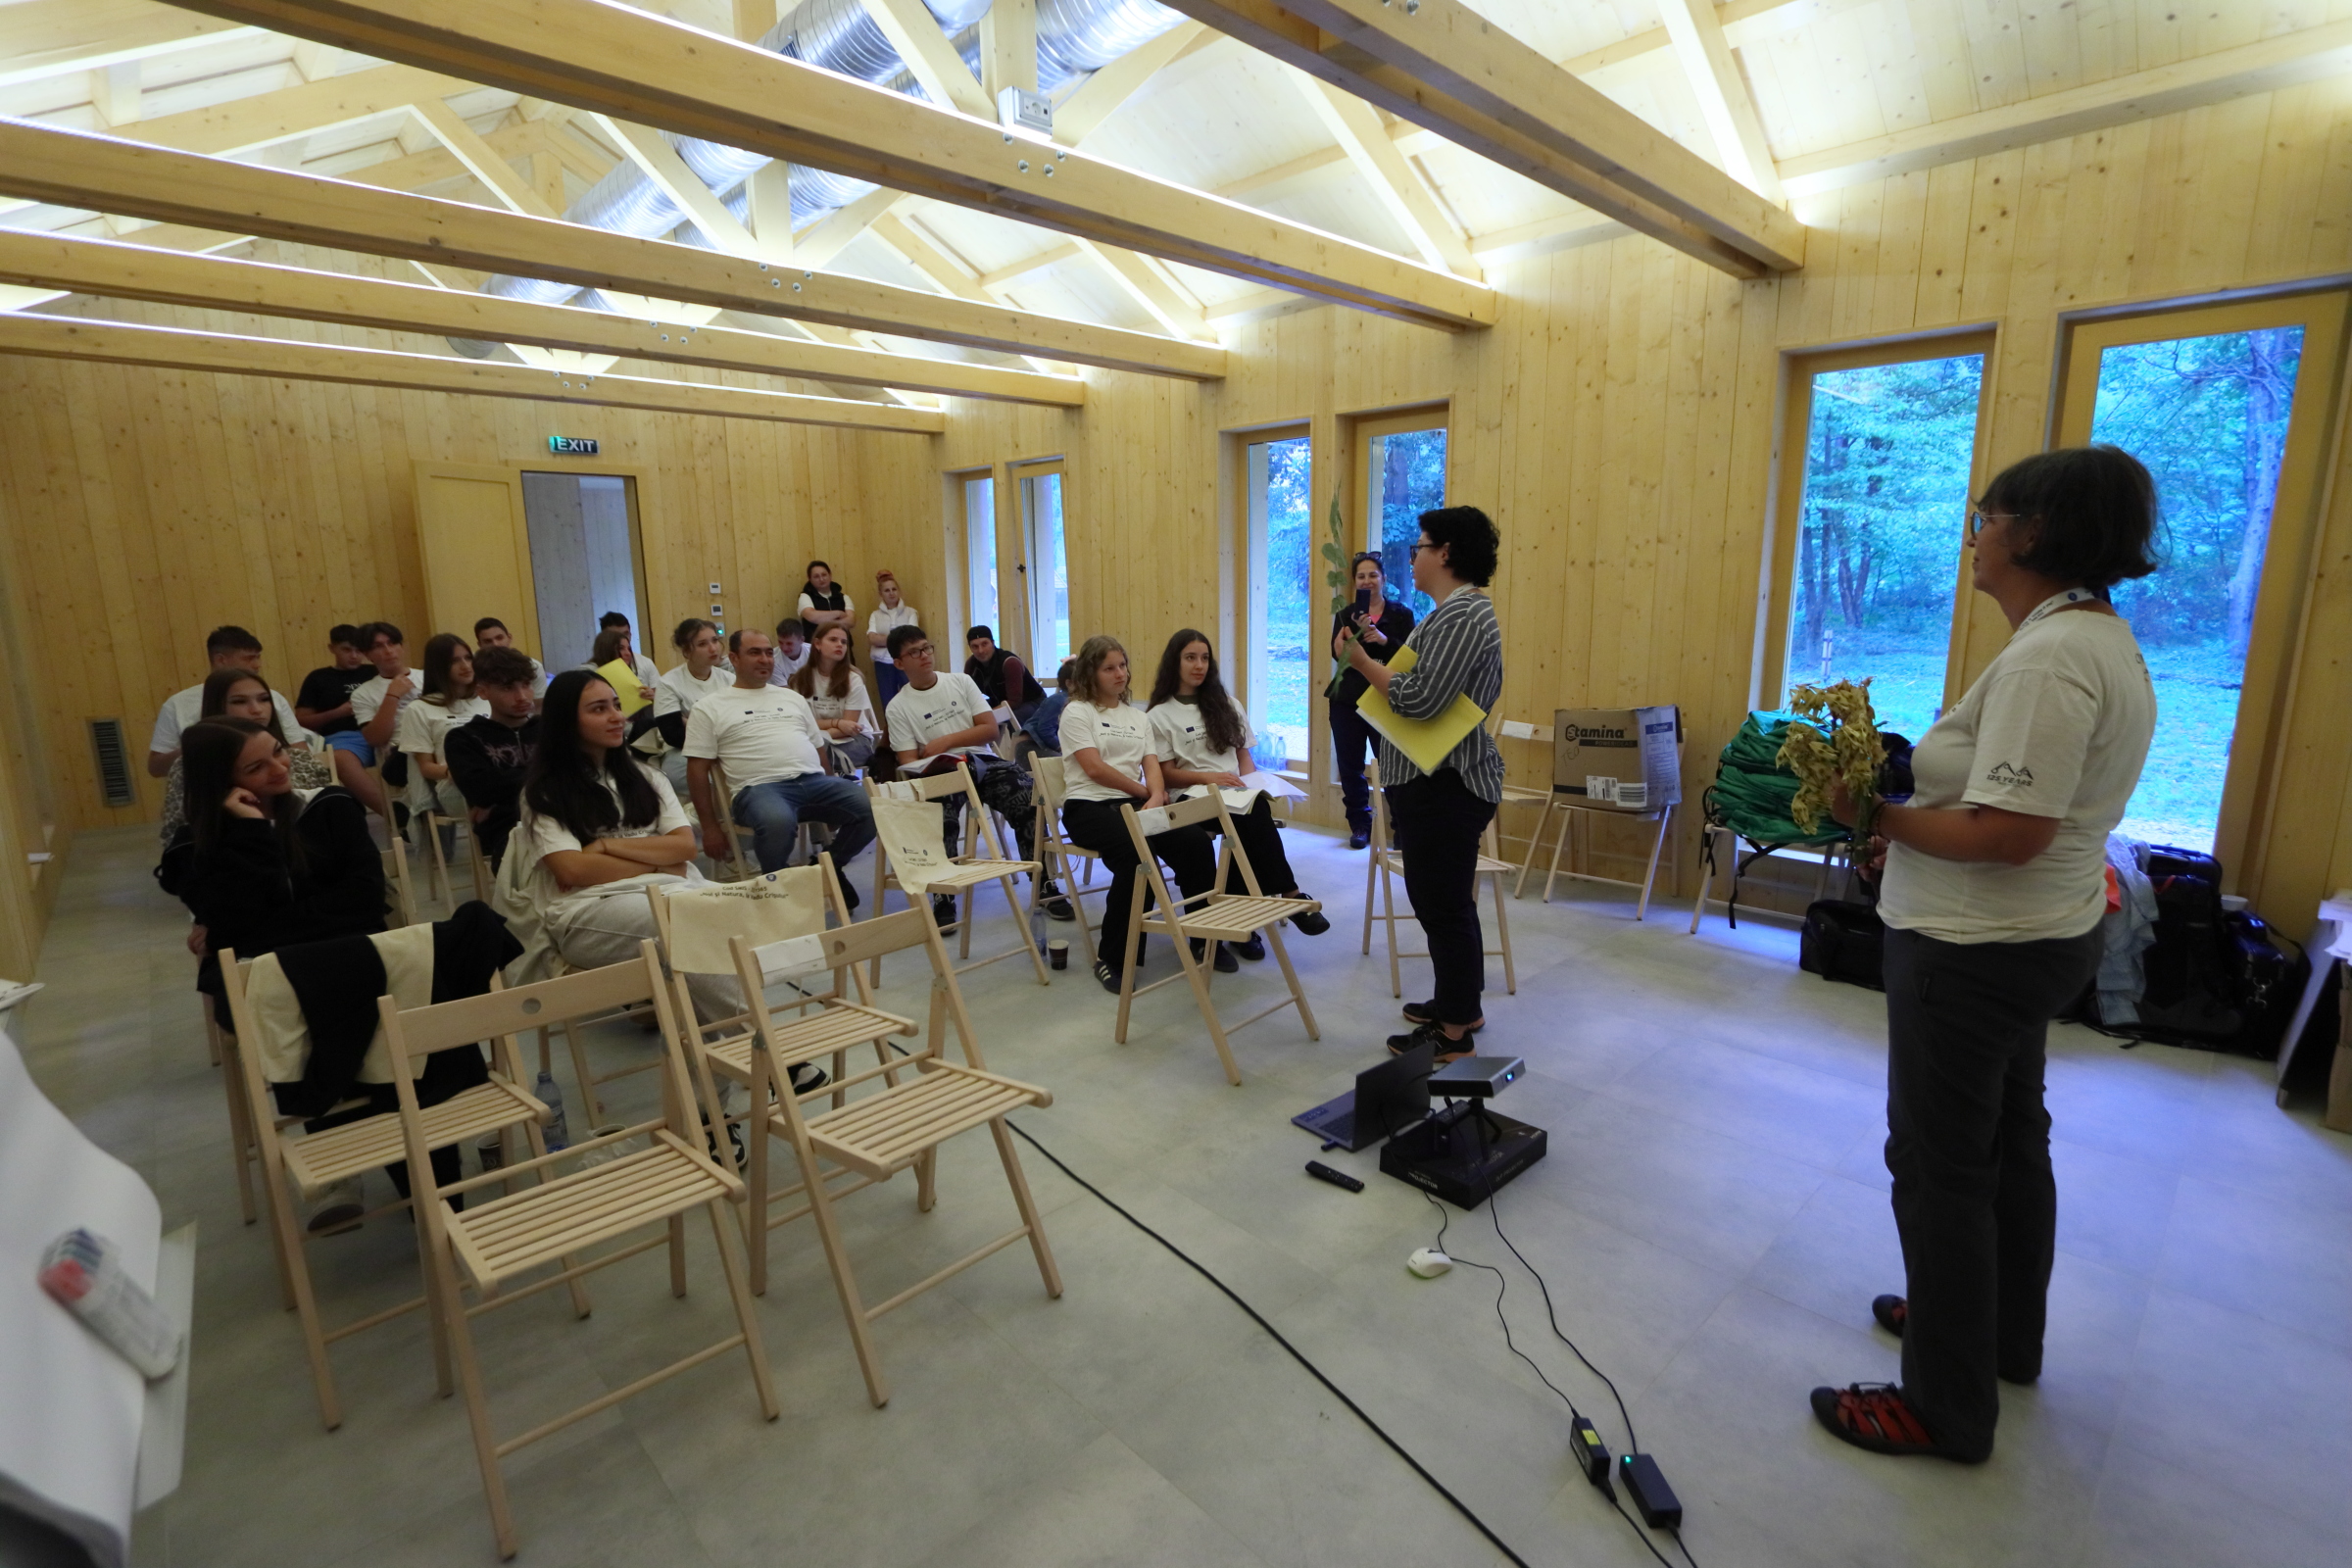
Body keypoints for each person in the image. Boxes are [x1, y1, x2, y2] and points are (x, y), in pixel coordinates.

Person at [1808, 447, 2160, 1465]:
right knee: (2007, 1140)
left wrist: (1874, 814)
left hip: (1974, 951)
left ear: (2032, 532)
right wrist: (1912, 832)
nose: (1975, 536)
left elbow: (2009, 834)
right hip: (2030, 937)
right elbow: (2002, 814)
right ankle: (1997, 1336)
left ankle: (1945, 1408)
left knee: (1940, 1169)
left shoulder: (2052, 660)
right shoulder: (2087, 638)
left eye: (1985, 518)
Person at [499, 670, 772, 1042]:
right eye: (599, 709)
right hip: (586, 911)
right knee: (684, 923)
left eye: (616, 705)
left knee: (727, 914)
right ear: (567, 721)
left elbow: (684, 848)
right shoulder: (543, 791)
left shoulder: (647, 777)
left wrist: (606, 847)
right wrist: (660, 860)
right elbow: (573, 869)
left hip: (672, 892)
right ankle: (763, 1044)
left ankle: (717, 1067)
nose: (617, 716)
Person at [1335, 507, 1504, 1063]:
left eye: (1421, 547)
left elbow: (1420, 699)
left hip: (1446, 784)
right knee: (1444, 903)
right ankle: (1461, 1005)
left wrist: (1360, 660)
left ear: (1446, 553)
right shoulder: (1450, 613)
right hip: (1435, 782)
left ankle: (1453, 1032)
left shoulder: (1463, 615)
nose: (1414, 558)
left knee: (1443, 905)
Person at [157, 717, 386, 1025]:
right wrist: (253, 830)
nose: (280, 768)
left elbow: (366, 902)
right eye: (256, 768)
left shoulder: (331, 806)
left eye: (278, 751)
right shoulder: (192, 846)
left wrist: (240, 934)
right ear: (221, 780)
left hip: (349, 953)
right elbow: (236, 919)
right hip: (260, 975)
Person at [1147, 629, 1331, 958]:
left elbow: (1244, 756)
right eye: (1190, 658)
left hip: (1231, 792)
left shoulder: (1228, 704)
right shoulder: (1159, 714)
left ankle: (1240, 922)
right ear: (1175, 662)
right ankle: (1288, 895)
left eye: (1205, 658)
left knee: (1251, 813)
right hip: (1190, 794)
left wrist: (1251, 783)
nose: (1199, 665)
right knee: (1251, 816)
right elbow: (1166, 772)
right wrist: (1210, 778)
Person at [1054, 634, 1217, 995]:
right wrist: (1146, 793)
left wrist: (1157, 795)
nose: (1120, 674)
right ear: (1091, 673)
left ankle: (1203, 938)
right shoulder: (1077, 712)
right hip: (1088, 806)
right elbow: (1094, 769)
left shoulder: (1137, 717)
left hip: (1135, 803)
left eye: (1123, 666)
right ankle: (1113, 958)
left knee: (1194, 842)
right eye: (1109, 668)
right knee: (1137, 856)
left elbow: (1151, 765)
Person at [881, 625, 1071, 926]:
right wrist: (939, 756)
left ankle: (1044, 884)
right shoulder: (898, 707)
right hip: (940, 769)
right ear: (899, 663)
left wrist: (945, 741)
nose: (925, 655)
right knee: (939, 815)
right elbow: (908, 761)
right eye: (914, 652)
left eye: (927, 648)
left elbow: (989, 729)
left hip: (981, 761)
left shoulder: (960, 682)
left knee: (1029, 797)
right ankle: (943, 895)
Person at [682, 628, 874, 906]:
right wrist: (710, 827)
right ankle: (778, 890)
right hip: (759, 790)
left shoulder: (791, 698)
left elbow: (818, 748)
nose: (765, 660)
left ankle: (828, 868)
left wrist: (832, 783)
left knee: (870, 808)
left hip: (814, 782)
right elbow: (697, 770)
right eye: (754, 653)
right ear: (734, 659)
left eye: (767, 653)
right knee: (777, 822)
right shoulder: (709, 707)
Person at [160, 668, 336, 848]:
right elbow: (176, 840)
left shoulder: (300, 759)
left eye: (264, 699)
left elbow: (327, 819)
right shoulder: (188, 767)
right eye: (239, 701)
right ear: (217, 706)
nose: (257, 710)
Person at [1330, 553, 1418, 849]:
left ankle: (1401, 829)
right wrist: (1348, 642)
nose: (1367, 581)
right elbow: (1337, 654)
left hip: (1386, 699)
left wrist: (1383, 640)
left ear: (1384, 579)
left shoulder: (1402, 614)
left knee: (1392, 767)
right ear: (1354, 582)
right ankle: (1360, 825)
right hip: (1347, 699)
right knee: (1350, 767)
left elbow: (1411, 657)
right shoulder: (1346, 614)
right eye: (1361, 576)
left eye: (1373, 575)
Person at [148, 625, 303, 779]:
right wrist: (199, 746)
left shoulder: (274, 697)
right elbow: (155, 767)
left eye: (258, 657)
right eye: (249, 658)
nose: (257, 665)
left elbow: (301, 752)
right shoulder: (178, 704)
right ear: (220, 660)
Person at [444, 646, 540, 869]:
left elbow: (579, 774)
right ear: (483, 691)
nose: (522, 696)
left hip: (564, 821)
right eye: (508, 688)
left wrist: (503, 790)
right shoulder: (464, 738)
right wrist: (551, 774)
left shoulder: (550, 729)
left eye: (526, 685)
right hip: (507, 835)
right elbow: (481, 789)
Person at [394, 633, 490, 823]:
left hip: (493, 777)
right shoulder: (419, 708)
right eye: (455, 661)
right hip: (453, 784)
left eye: (468, 658)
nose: (465, 666)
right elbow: (425, 768)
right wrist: (452, 771)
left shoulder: (486, 698)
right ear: (439, 667)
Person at [652, 617, 735, 800]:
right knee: (679, 775)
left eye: (715, 640)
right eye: (703, 644)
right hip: (684, 751)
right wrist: (717, 732)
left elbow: (739, 723)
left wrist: (691, 723)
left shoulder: (729, 680)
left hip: (727, 746)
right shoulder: (669, 683)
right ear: (687, 651)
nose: (713, 648)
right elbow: (673, 734)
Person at [791, 624, 879, 775]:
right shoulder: (800, 679)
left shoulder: (854, 679)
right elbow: (803, 722)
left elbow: (850, 727)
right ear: (817, 644)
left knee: (809, 755)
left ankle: (831, 786)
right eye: (833, 640)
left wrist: (819, 737)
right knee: (803, 752)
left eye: (844, 642)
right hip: (817, 739)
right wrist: (837, 723)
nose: (840, 645)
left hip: (856, 740)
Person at [293, 624, 373, 745]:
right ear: (332, 648)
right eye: (346, 650)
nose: (354, 656)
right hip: (341, 737)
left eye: (359, 650)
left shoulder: (374, 672)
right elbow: (301, 722)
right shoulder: (318, 678)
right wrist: (339, 712)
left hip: (379, 732)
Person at [964, 625, 1046, 727]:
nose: (980, 650)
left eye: (984, 644)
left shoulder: (1010, 663)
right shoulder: (971, 665)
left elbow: (1015, 701)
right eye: (975, 646)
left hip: (1032, 702)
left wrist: (987, 715)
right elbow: (968, 696)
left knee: (1006, 722)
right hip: (1000, 703)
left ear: (993, 643)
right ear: (970, 648)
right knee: (966, 720)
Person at [866, 570, 920, 708]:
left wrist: (883, 639)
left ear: (899, 591)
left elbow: (912, 638)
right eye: (887, 590)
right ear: (881, 594)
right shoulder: (875, 615)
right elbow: (872, 638)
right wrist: (898, 639)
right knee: (888, 702)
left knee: (911, 701)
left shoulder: (911, 612)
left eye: (894, 589)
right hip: (883, 663)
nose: (891, 593)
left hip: (905, 661)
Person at [1014, 660, 1076, 763]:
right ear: (1069, 684)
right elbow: (1045, 730)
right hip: (1029, 747)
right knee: (1067, 763)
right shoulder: (1059, 700)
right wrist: (1062, 748)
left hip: (1042, 746)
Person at [471, 617, 548, 695]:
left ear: (509, 638)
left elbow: (538, 701)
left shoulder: (533, 666)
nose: (495, 644)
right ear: (480, 645)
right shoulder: (471, 669)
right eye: (488, 641)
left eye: (499, 638)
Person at [596, 612, 662, 693]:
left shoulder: (645, 663)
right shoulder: (591, 669)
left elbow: (659, 693)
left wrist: (653, 696)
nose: (622, 638)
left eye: (625, 634)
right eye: (616, 635)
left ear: (630, 634)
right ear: (604, 637)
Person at [796, 559, 854, 643]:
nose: (821, 579)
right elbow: (812, 616)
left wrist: (824, 621)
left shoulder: (843, 597)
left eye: (824, 575)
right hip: (815, 645)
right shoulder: (805, 596)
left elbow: (851, 621)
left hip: (842, 645)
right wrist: (838, 613)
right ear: (810, 579)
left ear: (830, 575)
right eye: (816, 576)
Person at [766, 619, 811, 687]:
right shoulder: (772, 659)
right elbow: (784, 690)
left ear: (801, 640)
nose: (784, 648)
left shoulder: (814, 652)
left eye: (789, 643)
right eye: (780, 642)